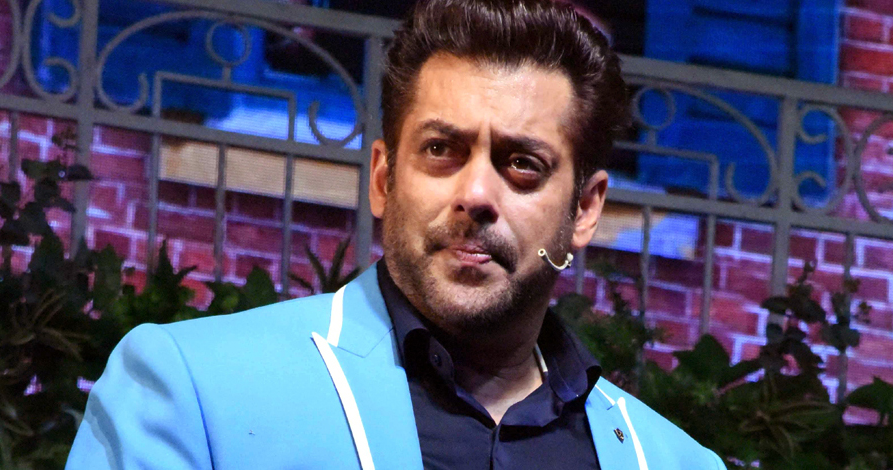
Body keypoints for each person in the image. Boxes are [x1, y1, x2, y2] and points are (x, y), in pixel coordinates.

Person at [67, 0, 724, 468]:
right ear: (383, 179)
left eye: (522, 163)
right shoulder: (194, 390)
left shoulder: (676, 462)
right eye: (441, 150)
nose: (475, 194)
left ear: (584, 209)